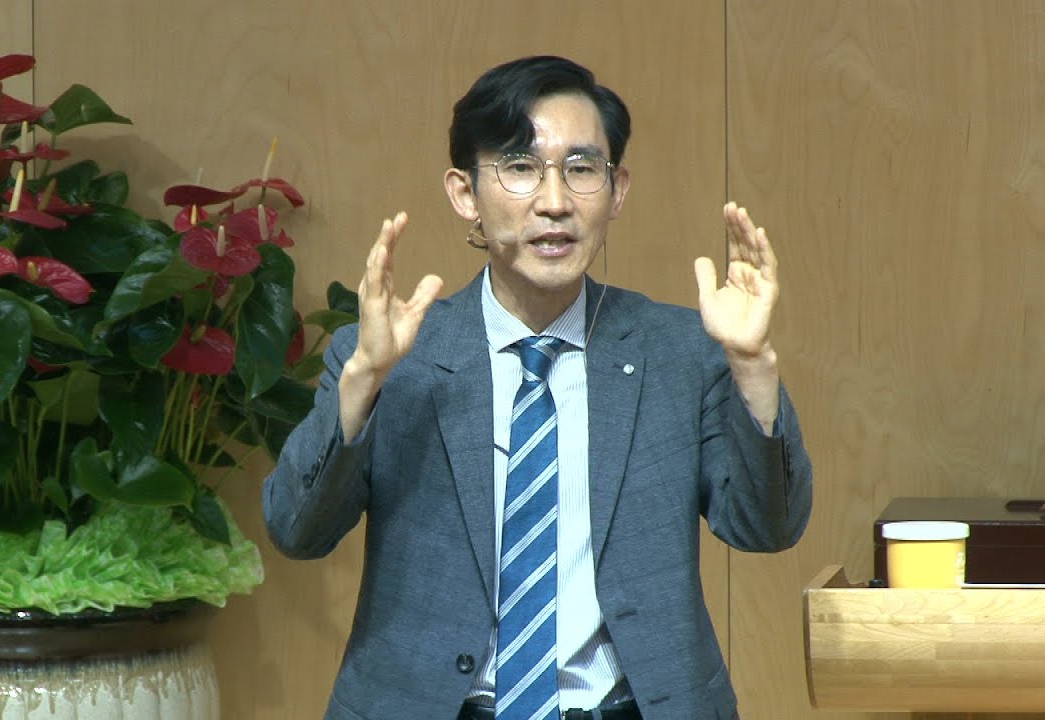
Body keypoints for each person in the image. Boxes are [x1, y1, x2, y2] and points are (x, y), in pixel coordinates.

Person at [263, 55, 812, 720]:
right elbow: (297, 531)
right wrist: (364, 382)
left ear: (616, 190)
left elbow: (766, 527)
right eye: (520, 167)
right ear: (465, 193)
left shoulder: (679, 351)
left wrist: (752, 363)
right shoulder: (392, 358)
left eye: (581, 168)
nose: (555, 201)